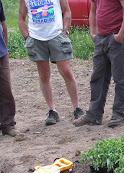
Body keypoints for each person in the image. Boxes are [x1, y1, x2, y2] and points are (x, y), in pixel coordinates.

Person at [18, 0, 84, 126]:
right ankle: (52, 110)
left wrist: (64, 31)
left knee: (66, 72)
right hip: (36, 39)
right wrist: (27, 36)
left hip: (56, 35)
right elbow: (21, 17)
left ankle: (77, 108)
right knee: (44, 76)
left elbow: (67, 11)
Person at [74, 0, 124, 128]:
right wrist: (93, 33)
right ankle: (94, 114)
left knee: (120, 79)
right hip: (101, 39)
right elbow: (93, 10)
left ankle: (119, 114)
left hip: (116, 38)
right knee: (97, 78)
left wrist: (120, 35)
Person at [0, 0, 18, 137]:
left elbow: (3, 24)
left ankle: (7, 124)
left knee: (5, 89)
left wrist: (5, 49)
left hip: (1, 53)